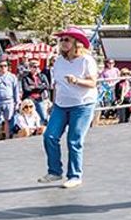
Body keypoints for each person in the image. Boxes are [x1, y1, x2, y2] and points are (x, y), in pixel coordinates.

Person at [40, 27, 98, 188]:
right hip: (61, 104)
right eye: (61, 40)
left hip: (82, 105)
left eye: (67, 40)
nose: (63, 43)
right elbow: (56, 84)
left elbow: (92, 83)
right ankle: (54, 171)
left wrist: (77, 80)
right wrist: (52, 103)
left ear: (76, 43)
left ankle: (75, 175)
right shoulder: (59, 61)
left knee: (74, 140)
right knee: (49, 136)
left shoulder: (87, 60)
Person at [20, 59, 50, 123]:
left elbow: (47, 86)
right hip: (29, 100)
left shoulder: (42, 76)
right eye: (34, 67)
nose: (37, 68)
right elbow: (26, 89)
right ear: (30, 68)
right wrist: (40, 87)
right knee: (29, 118)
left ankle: (41, 130)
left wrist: (34, 87)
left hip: (40, 99)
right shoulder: (25, 77)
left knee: (43, 117)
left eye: (38, 66)